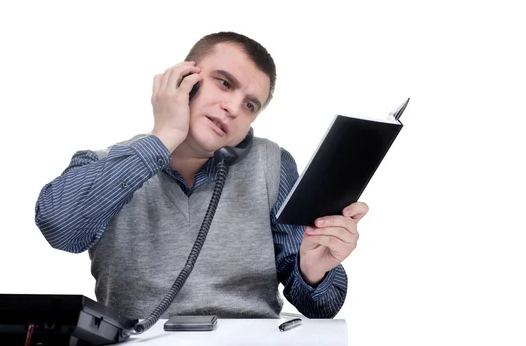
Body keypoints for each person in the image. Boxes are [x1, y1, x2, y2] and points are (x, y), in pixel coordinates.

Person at [34, 31, 369, 321]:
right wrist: (165, 136)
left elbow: (322, 307)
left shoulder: (273, 164)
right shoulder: (105, 164)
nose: (235, 108)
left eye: (250, 105)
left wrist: (314, 270)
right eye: (225, 83)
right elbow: (60, 229)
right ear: (183, 79)